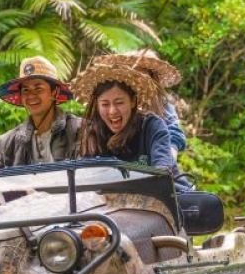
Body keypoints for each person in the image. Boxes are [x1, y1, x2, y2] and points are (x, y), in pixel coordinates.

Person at [72, 63, 192, 191]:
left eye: (119, 103)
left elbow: (163, 170)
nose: (112, 111)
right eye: (105, 104)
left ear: (133, 101)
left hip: (168, 197)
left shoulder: (152, 126)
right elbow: (87, 180)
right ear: (97, 105)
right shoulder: (93, 134)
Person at [0, 56, 81, 171]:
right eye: (26, 90)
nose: (31, 96)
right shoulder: (8, 142)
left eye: (38, 89)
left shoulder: (79, 130)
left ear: (54, 93)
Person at [94, 49, 187, 159]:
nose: (138, 81)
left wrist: (167, 159)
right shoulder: (113, 103)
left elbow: (173, 134)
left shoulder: (162, 105)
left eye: (142, 75)